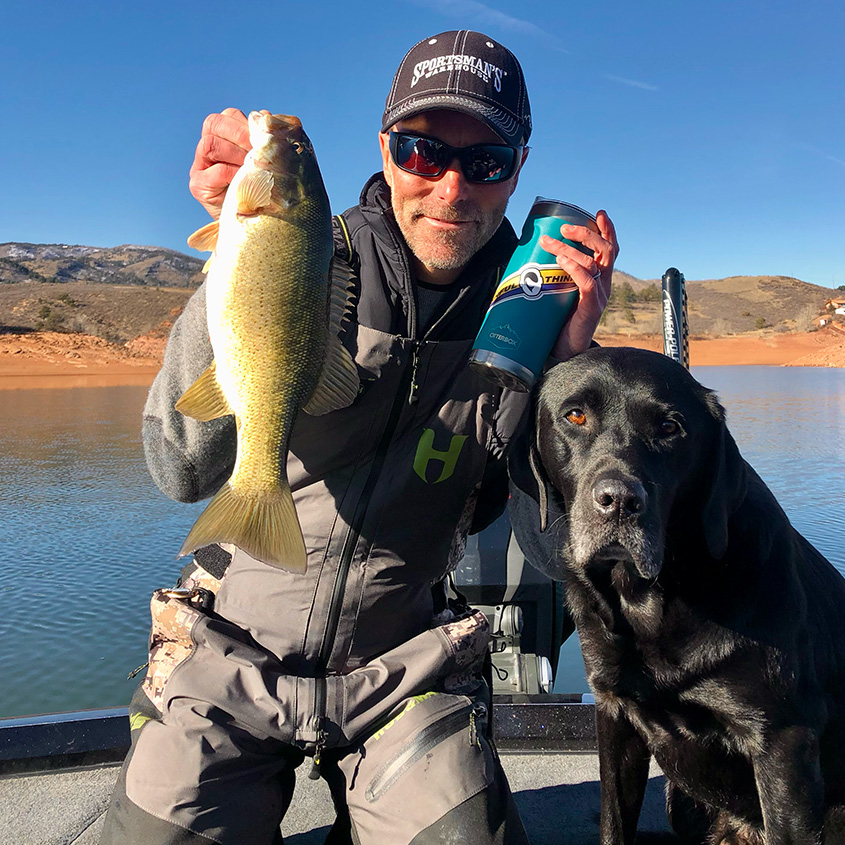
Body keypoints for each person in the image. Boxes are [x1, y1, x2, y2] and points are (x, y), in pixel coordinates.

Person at [100, 29, 618, 845]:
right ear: (385, 148)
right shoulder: (313, 251)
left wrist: (568, 376)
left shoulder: (525, 322)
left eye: (483, 162)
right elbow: (179, 469)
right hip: (227, 655)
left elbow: (551, 554)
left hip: (402, 667)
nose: (450, 189)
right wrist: (233, 257)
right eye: (421, 151)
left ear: (517, 168)